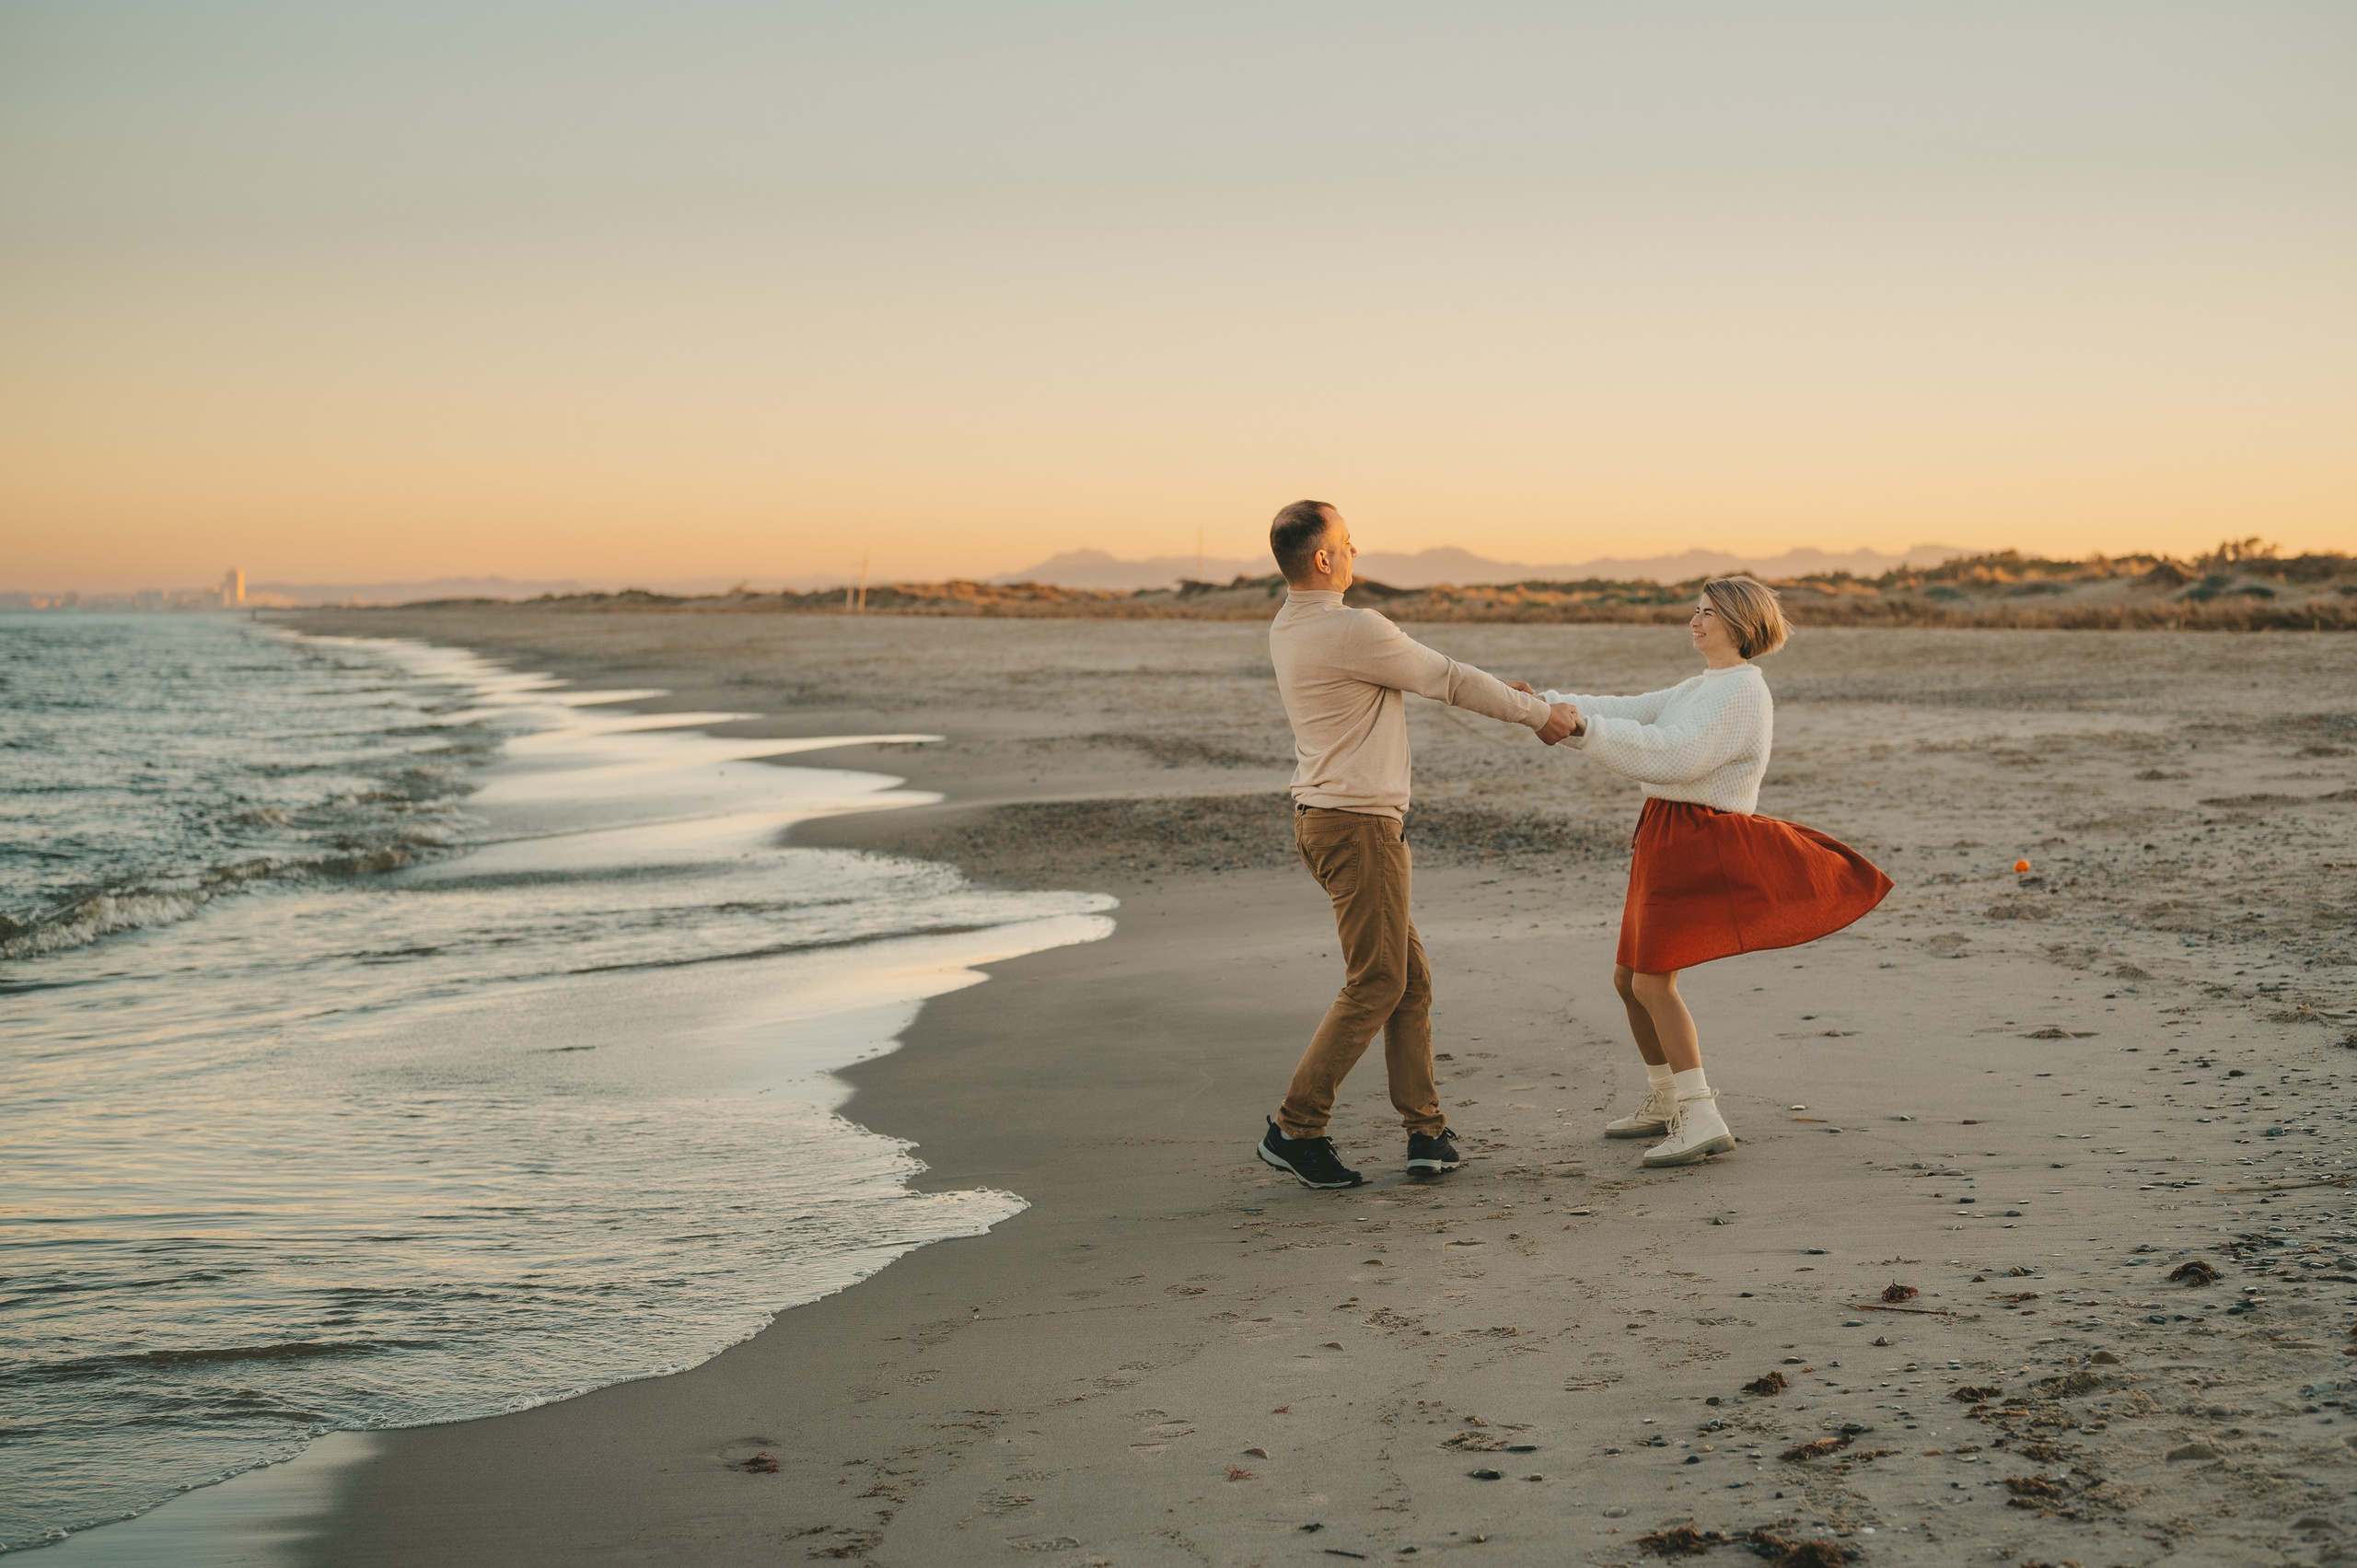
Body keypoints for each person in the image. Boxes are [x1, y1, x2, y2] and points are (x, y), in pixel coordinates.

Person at [1257, 500, 1578, 1190]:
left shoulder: (1290, 626)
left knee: (1408, 980)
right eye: (1346, 541)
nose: (1355, 550)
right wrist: (1538, 714)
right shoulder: (1353, 628)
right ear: (1323, 558)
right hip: (1358, 827)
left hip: (1327, 820)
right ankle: (1295, 1127)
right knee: (1377, 981)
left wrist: (1504, 693)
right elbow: (1449, 679)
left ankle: (1426, 1133)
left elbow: (1433, 673)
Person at [1534, 576, 1892, 1168]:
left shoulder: (1744, 692)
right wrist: (1543, 704)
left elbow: (1676, 754)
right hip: (1664, 833)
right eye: (1696, 611)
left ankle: (1701, 1115)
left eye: (1708, 613)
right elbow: (1631, 710)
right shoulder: (1704, 685)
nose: (1695, 621)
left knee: (1653, 984)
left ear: (1741, 624)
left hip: (1698, 840)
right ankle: (1667, 1099)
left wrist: (1581, 729)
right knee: (1628, 980)